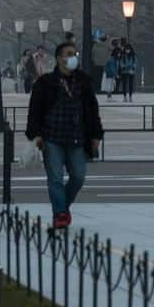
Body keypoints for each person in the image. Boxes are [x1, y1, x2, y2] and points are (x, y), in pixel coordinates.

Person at [25, 41, 103, 229]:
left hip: (77, 138)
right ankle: (60, 213)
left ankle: (62, 207)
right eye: (69, 54)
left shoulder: (83, 81)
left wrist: (96, 135)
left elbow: (92, 110)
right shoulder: (45, 83)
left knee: (78, 176)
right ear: (60, 58)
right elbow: (34, 111)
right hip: (52, 138)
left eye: (74, 53)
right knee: (55, 178)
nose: (73, 57)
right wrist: (35, 134)